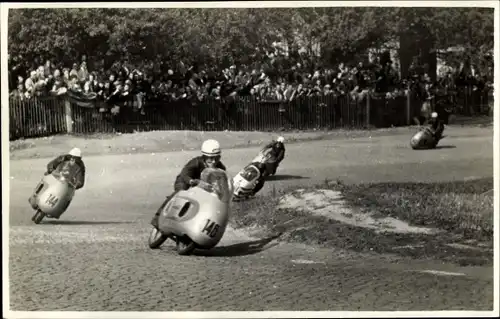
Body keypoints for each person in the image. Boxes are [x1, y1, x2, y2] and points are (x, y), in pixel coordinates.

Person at [150, 139, 227, 230]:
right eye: (210, 158)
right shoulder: (195, 162)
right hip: (186, 182)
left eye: (217, 158)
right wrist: (193, 182)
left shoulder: (220, 167)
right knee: (180, 192)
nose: (214, 161)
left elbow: (222, 179)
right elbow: (184, 174)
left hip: (203, 187)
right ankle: (158, 217)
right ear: (204, 156)